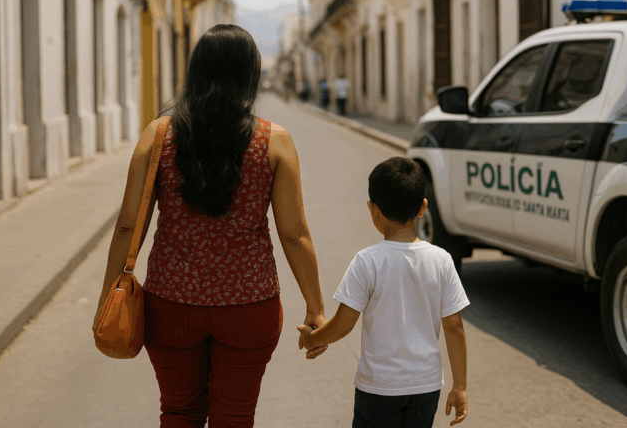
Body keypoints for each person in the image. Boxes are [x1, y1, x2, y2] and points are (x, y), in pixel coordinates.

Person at [92, 24, 327, 427]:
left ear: (196, 72)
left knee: (179, 412)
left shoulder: (160, 134)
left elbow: (129, 225)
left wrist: (107, 296)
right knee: (235, 418)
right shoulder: (274, 141)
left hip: (171, 304)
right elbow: (294, 233)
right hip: (250, 305)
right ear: (250, 75)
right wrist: (316, 306)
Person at [297, 157, 470, 428]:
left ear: (373, 210)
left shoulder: (367, 261)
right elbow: (454, 326)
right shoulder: (442, 260)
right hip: (425, 387)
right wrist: (459, 386)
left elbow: (343, 325)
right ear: (423, 207)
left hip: (378, 388)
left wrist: (313, 339)